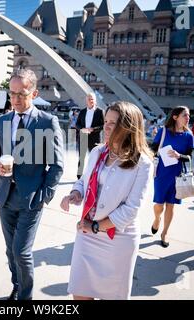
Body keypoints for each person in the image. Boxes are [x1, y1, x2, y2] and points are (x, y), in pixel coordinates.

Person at [60, 101, 153, 300]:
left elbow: (131, 209)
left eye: (114, 123)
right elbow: (84, 182)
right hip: (87, 236)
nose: (107, 127)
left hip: (118, 238)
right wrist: (75, 194)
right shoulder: (97, 152)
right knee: (80, 293)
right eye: (106, 121)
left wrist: (95, 226)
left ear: (129, 127)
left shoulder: (142, 163)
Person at [0, 69, 64, 300]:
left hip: (31, 199)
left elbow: (57, 165)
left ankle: (25, 298)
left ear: (34, 93)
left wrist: (44, 196)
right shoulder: (1, 121)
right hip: (5, 197)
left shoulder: (47, 122)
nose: (16, 99)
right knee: (11, 252)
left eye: (21, 94)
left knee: (21, 252)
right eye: (12, 94)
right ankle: (17, 286)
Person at [151, 106, 194, 247]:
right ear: (175, 117)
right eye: (185, 115)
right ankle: (157, 219)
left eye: (188, 115)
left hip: (178, 174)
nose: (188, 117)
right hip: (162, 173)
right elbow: (152, 149)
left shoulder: (189, 136)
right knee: (159, 204)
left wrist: (179, 155)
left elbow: (189, 157)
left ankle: (165, 233)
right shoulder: (163, 132)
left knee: (171, 205)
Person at [75, 92, 105, 179]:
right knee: (81, 158)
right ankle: (79, 177)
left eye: (92, 99)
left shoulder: (100, 111)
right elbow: (77, 124)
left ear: (95, 101)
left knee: (95, 158)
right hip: (83, 137)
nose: (91, 100)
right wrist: (82, 129)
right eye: (89, 99)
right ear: (86, 101)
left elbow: (103, 125)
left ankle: (94, 176)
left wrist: (93, 129)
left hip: (95, 138)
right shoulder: (82, 111)